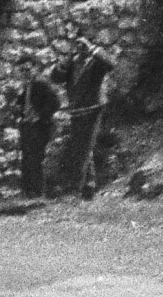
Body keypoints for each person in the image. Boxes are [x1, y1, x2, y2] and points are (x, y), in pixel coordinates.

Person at [49, 38, 115, 196]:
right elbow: (55, 78)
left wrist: (93, 48)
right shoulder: (72, 62)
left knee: (85, 146)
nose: (80, 47)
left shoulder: (96, 61)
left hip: (94, 109)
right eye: (77, 44)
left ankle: (76, 187)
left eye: (83, 44)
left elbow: (111, 64)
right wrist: (62, 64)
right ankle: (88, 185)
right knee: (81, 146)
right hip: (77, 110)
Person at [17, 66, 60, 197]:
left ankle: (37, 191)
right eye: (22, 70)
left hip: (40, 126)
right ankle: (28, 190)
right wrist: (21, 115)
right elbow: (22, 105)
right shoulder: (26, 86)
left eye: (28, 69)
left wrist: (40, 116)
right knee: (27, 158)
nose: (25, 73)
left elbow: (55, 103)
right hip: (27, 126)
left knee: (36, 157)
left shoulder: (42, 85)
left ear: (35, 69)